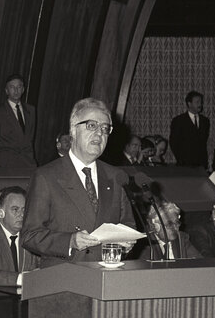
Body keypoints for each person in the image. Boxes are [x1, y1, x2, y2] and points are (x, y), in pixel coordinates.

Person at [21, 98, 136, 267]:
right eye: (91, 125)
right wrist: (70, 241)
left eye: (105, 128)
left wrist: (127, 243)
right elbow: (29, 236)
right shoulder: (46, 176)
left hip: (107, 281)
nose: (99, 133)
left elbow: (127, 225)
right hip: (65, 283)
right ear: (73, 130)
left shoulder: (116, 176)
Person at [0, 74, 37, 168]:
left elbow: (30, 138)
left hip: (28, 162)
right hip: (7, 164)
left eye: (19, 87)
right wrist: (2, 160)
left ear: (23, 89)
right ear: (6, 91)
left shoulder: (31, 110)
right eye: (12, 87)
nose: (16, 90)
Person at [169, 91, 210, 167]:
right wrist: (182, 160)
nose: (200, 104)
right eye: (197, 102)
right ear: (189, 103)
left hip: (201, 164)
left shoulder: (205, 121)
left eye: (201, 102)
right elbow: (174, 143)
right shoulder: (178, 120)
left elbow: (203, 143)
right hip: (185, 165)